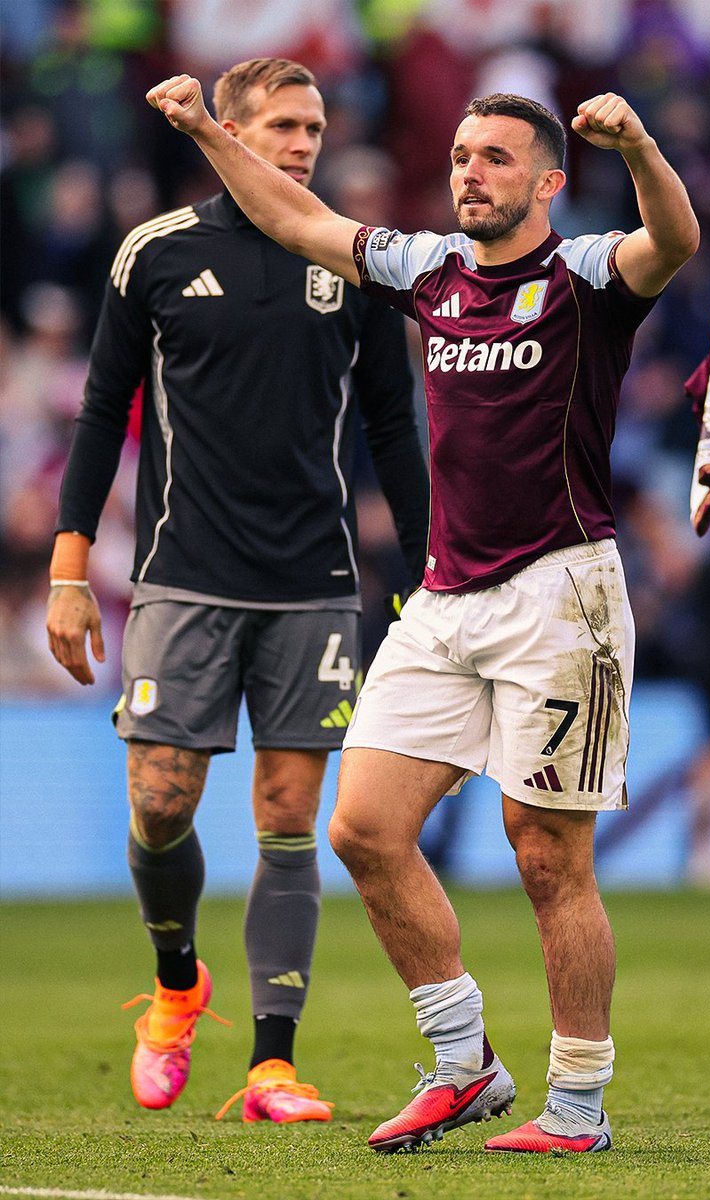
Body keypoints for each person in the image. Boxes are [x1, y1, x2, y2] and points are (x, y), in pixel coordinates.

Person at [145, 74, 698, 1151]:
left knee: (547, 857)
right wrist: (210, 131)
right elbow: (296, 215)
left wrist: (638, 145)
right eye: (458, 157)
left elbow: (670, 240)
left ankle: (577, 1105)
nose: (469, 174)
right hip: (446, 593)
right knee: (362, 828)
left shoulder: (583, 272)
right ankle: (465, 1063)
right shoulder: (430, 271)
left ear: (548, 180)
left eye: (494, 158)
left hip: (562, 592)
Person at [46, 58, 429, 1123]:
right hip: (183, 576)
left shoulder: (356, 263)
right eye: (286, 125)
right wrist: (71, 567)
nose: (306, 143)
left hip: (313, 584)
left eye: (315, 125)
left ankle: (273, 1064)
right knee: (162, 805)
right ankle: (176, 986)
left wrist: (440, 570)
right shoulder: (158, 253)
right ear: (232, 130)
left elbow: (396, 427)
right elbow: (99, 411)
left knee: (289, 815)